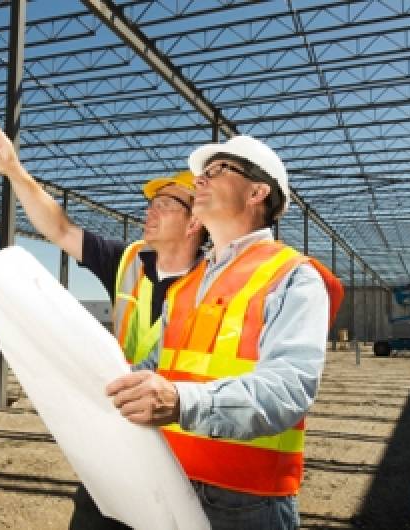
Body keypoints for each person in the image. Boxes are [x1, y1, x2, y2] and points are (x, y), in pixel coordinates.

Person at [0, 114, 205, 529]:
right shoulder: (128, 261)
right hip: (119, 432)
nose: (151, 211)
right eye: (151, 203)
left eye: (166, 203)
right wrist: (14, 170)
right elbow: (61, 230)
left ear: (195, 222)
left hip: (185, 438)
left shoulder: (220, 279)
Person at [106, 135, 344, 529]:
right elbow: (155, 367)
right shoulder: (187, 284)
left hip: (247, 501)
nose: (199, 180)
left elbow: (289, 389)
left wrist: (179, 401)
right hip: (169, 481)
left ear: (256, 192)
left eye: (216, 171)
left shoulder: (292, 276)